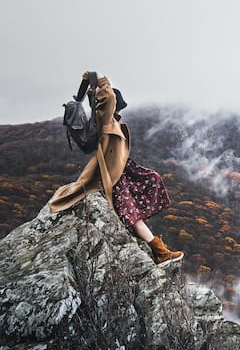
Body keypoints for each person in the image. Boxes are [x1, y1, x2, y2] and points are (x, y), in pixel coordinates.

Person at [49, 71, 183, 266]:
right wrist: (100, 80)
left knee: (147, 188)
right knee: (134, 217)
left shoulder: (109, 120)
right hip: (114, 175)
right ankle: (160, 252)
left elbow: (96, 103)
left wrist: (88, 83)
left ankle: (158, 249)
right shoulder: (106, 120)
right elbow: (106, 99)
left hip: (121, 172)